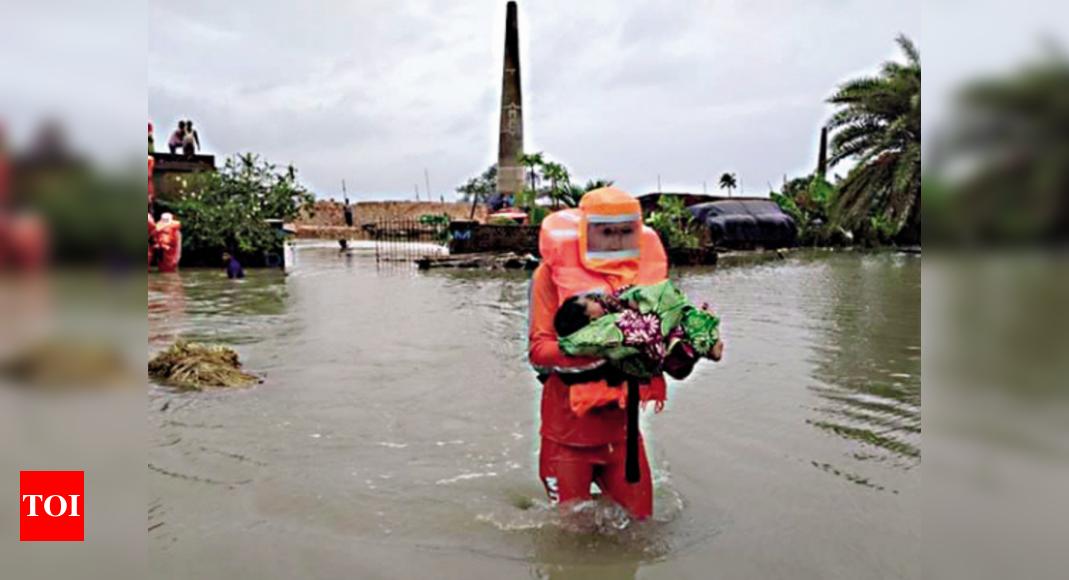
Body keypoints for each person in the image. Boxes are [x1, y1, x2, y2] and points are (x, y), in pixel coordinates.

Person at [529, 186, 692, 520]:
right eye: (606, 231)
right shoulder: (549, 275)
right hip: (567, 435)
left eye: (625, 231)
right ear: (586, 232)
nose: (617, 240)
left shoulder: (647, 281)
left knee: (642, 527)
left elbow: (670, 344)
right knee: (569, 540)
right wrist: (606, 345)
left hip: (623, 434)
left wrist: (683, 349)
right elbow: (539, 351)